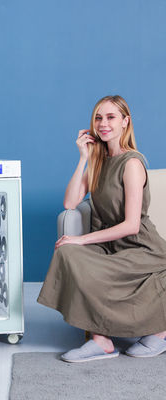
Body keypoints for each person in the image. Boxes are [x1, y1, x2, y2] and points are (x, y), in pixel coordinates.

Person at [37, 95, 166, 362]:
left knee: (76, 246)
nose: (103, 124)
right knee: (66, 252)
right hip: (108, 245)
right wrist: (83, 158)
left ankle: (160, 332)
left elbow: (131, 225)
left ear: (125, 122)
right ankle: (102, 341)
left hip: (140, 247)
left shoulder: (132, 163)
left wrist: (82, 240)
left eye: (110, 117)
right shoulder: (98, 161)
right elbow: (70, 202)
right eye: (98, 118)